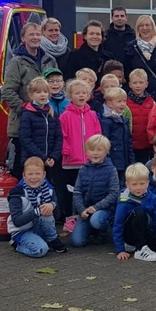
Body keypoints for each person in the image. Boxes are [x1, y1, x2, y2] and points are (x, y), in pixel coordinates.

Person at [3, 22, 58, 170]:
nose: (35, 37)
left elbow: (56, 86)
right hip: (23, 123)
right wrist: (25, 108)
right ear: (23, 38)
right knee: (24, 169)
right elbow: (7, 91)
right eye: (31, 34)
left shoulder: (50, 60)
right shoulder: (17, 62)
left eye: (38, 34)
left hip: (46, 124)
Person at [57, 78, 100, 230]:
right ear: (70, 95)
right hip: (71, 162)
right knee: (70, 191)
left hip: (89, 161)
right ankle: (69, 217)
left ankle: (87, 217)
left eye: (84, 93)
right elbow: (62, 136)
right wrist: (66, 150)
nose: (81, 96)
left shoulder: (93, 115)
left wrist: (98, 151)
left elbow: (97, 135)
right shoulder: (65, 116)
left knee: (87, 190)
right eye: (77, 93)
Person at [7, 156, 66, 257]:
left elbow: (56, 217)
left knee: (46, 213)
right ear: (24, 176)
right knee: (41, 250)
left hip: (37, 225)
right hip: (21, 230)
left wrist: (52, 206)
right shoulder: (17, 193)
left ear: (44, 175)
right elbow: (17, 221)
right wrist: (37, 211)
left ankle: (52, 240)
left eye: (38, 174)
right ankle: (17, 245)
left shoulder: (49, 190)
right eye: (30, 174)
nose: (34, 177)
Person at [70, 134, 120, 248]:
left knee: (97, 220)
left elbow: (113, 194)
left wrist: (97, 207)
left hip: (104, 210)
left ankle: (104, 230)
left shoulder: (111, 170)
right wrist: (81, 210)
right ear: (87, 151)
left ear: (106, 151)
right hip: (86, 210)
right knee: (77, 242)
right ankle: (92, 230)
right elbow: (77, 192)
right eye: (92, 150)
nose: (95, 153)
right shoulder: (83, 169)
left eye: (99, 150)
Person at [114, 163, 156, 262]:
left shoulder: (152, 197)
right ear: (127, 184)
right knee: (140, 212)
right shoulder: (123, 202)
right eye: (134, 184)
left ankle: (143, 246)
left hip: (145, 231)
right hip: (130, 234)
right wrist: (120, 250)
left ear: (148, 183)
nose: (138, 188)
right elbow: (118, 225)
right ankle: (139, 249)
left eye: (142, 184)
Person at [18, 77, 62, 174]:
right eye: (38, 92)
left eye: (45, 92)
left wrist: (54, 156)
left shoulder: (52, 114)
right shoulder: (27, 114)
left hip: (51, 161)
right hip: (32, 160)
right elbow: (25, 138)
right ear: (31, 95)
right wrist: (42, 157)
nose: (42, 95)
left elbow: (58, 137)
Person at [99, 86, 135, 177]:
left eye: (124, 101)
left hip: (125, 161)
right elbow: (105, 143)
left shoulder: (125, 121)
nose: (123, 104)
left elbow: (129, 142)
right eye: (119, 101)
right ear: (110, 103)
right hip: (113, 162)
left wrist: (132, 161)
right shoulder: (106, 122)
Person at [125, 68, 156, 163]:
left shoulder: (152, 102)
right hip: (131, 145)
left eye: (141, 82)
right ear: (130, 84)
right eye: (135, 83)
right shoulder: (125, 102)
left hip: (147, 144)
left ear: (146, 84)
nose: (138, 86)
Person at [132, 14, 156, 94]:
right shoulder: (131, 48)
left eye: (147, 25)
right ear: (137, 28)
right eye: (141, 25)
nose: (145, 28)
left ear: (153, 27)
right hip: (138, 94)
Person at [104, 6, 138, 75]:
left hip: (130, 74)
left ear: (126, 18)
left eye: (122, 16)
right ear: (112, 18)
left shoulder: (134, 36)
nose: (119, 18)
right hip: (111, 74)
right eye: (116, 16)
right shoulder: (105, 36)